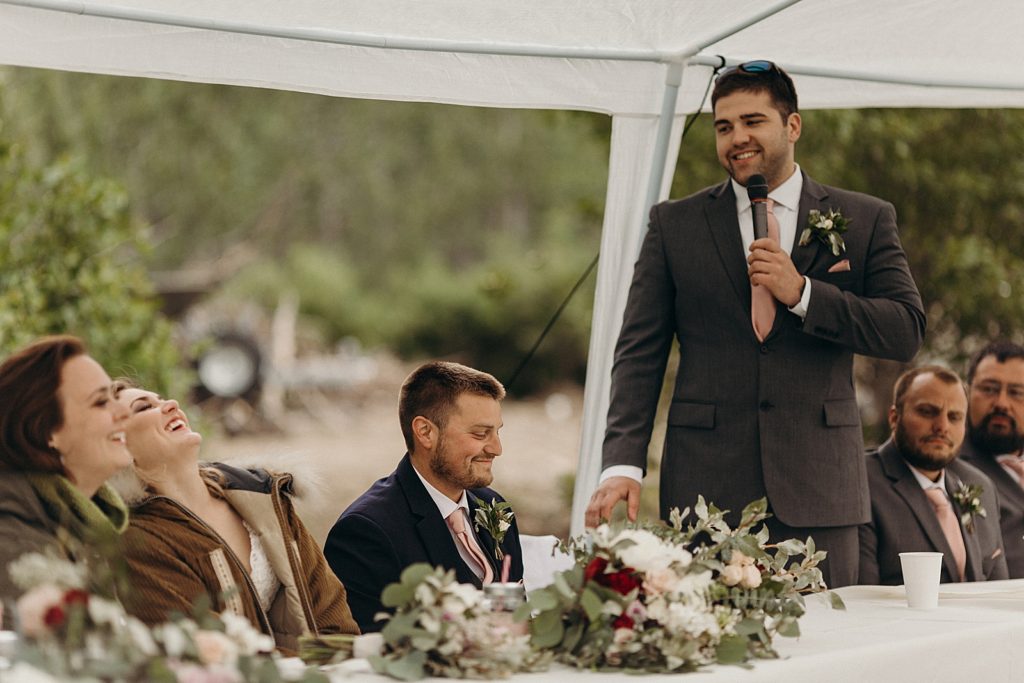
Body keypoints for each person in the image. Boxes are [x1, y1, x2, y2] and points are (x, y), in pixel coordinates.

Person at [585, 60, 925, 587]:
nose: (736, 138)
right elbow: (639, 352)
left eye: (752, 121)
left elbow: (905, 330)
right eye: (724, 127)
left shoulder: (865, 217)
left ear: (792, 126)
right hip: (705, 491)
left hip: (820, 490)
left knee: (826, 654)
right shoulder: (673, 224)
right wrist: (623, 464)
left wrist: (805, 294)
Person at [113, 383, 359, 652]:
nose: (171, 404)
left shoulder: (262, 496)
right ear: (116, 443)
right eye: (144, 407)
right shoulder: (138, 540)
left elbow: (333, 615)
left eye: (161, 398)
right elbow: (216, 658)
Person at [324, 361, 524, 633]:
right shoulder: (365, 531)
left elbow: (520, 623)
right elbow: (370, 654)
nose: (496, 448)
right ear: (426, 432)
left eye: (497, 432)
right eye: (480, 433)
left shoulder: (495, 507)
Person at [0, 335, 132, 599]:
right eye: (101, 401)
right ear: (46, 430)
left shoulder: (83, 522)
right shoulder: (12, 522)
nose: (124, 412)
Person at [859, 366, 1007, 585]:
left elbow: (998, 591)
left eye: (954, 417)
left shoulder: (980, 485)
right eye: (928, 412)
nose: (942, 426)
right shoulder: (861, 483)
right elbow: (861, 601)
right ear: (894, 417)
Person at [958, 340, 1024, 577]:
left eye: (1016, 393)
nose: (1002, 404)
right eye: (989, 389)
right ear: (966, 392)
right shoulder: (946, 468)